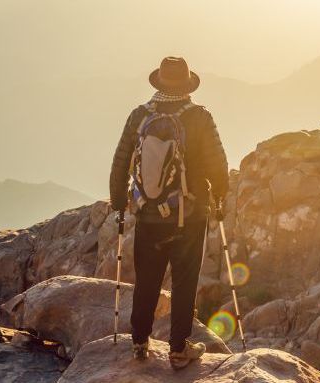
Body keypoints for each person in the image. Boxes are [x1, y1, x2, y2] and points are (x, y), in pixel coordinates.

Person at [109, 56, 229, 369]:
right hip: (189, 216)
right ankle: (178, 349)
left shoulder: (139, 115)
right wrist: (220, 196)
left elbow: (121, 161)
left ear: (159, 83)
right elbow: (218, 163)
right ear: (187, 85)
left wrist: (120, 202)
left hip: (148, 214)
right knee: (184, 281)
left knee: (147, 279)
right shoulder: (200, 117)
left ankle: (139, 342)